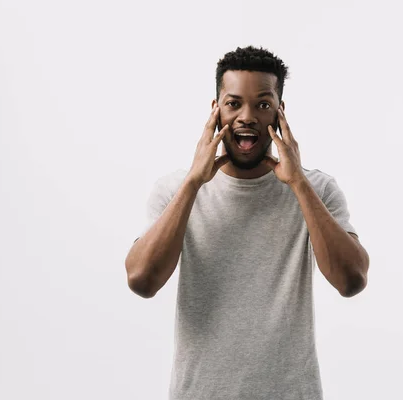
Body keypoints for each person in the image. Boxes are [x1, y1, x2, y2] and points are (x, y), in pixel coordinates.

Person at [125, 46, 370, 400]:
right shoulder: (175, 191)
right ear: (215, 109)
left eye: (263, 104)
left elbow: (352, 281)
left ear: (280, 113)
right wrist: (194, 182)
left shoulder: (317, 189)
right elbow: (141, 281)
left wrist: (298, 183)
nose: (247, 116)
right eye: (233, 103)